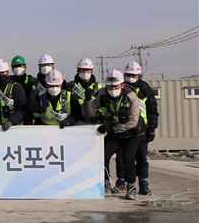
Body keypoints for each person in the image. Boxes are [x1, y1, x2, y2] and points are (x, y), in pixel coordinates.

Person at [82, 69, 148, 200]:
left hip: (133, 133)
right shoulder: (102, 94)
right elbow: (89, 115)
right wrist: (88, 100)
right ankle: (105, 183)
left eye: (116, 86)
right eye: (110, 86)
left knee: (128, 156)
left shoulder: (131, 97)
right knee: (103, 155)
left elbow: (133, 122)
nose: (112, 89)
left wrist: (112, 129)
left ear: (122, 85)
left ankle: (131, 186)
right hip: (114, 131)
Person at [113, 62, 159, 195]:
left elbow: (152, 109)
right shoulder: (120, 89)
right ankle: (121, 181)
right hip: (125, 128)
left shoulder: (145, 90)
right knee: (122, 157)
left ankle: (143, 183)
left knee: (141, 157)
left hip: (142, 128)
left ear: (139, 75)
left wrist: (152, 127)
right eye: (128, 75)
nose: (131, 77)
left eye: (134, 75)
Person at [67, 58, 103, 124]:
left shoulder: (99, 87)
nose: (85, 72)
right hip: (76, 123)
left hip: (94, 122)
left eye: (87, 70)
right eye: (82, 70)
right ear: (78, 71)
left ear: (91, 71)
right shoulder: (72, 87)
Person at [10, 55, 38, 125]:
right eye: (15, 66)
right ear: (12, 68)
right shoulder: (9, 82)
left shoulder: (32, 82)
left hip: (27, 117)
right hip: (13, 116)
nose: (18, 68)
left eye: (20, 66)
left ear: (25, 68)